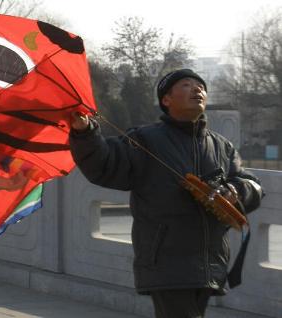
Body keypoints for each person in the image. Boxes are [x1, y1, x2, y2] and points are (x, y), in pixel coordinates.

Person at [69, 69, 264, 318]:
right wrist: (85, 132)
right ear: (166, 100)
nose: (197, 90)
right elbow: (104, 165)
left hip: (210, 263)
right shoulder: (145, 139)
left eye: (200, 86)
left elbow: (251, 183)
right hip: (167, 263)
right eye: (186, 85)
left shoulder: (220, 145)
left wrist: (234, 191)